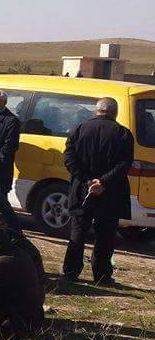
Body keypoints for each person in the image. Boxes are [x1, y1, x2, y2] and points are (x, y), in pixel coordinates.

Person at [63, 97, 135, 285]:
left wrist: (88, 181)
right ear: (115, 112)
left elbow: (69, 159)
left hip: (82, 190)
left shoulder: (79, 129)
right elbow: (124, 164)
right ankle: (102, 274)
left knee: (78, 232)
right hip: (110, 191)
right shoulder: (122, 133)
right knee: (105, 235)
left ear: (96, 111)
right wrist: (103, 182)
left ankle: (71, 271)